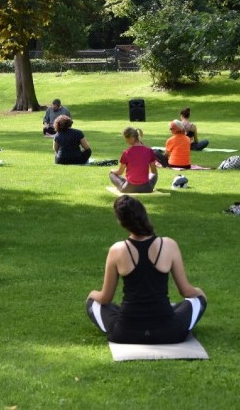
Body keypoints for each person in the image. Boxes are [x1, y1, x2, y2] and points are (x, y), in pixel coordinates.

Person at [86, 196, 207, 344]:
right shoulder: (169, 245)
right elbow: (186, 292)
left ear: (121, 222)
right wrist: (200, 292)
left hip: (125, 333)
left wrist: (92, 294)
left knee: (93, 303)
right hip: (169, 332)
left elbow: (105, 298)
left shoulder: (116, 250)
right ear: (144, 215)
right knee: (197, 301)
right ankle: (168, 310)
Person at [110, 127, 159, 193]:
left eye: (126, 139)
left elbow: (120, 172)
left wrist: (113, 171)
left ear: (132, 138)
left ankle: (123, 183)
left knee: (112, 174)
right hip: (147, 188)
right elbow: (154, 171)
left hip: (128, 188)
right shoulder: (149, 151)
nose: (126, 141)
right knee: (155, 173)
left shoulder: (126, 152)